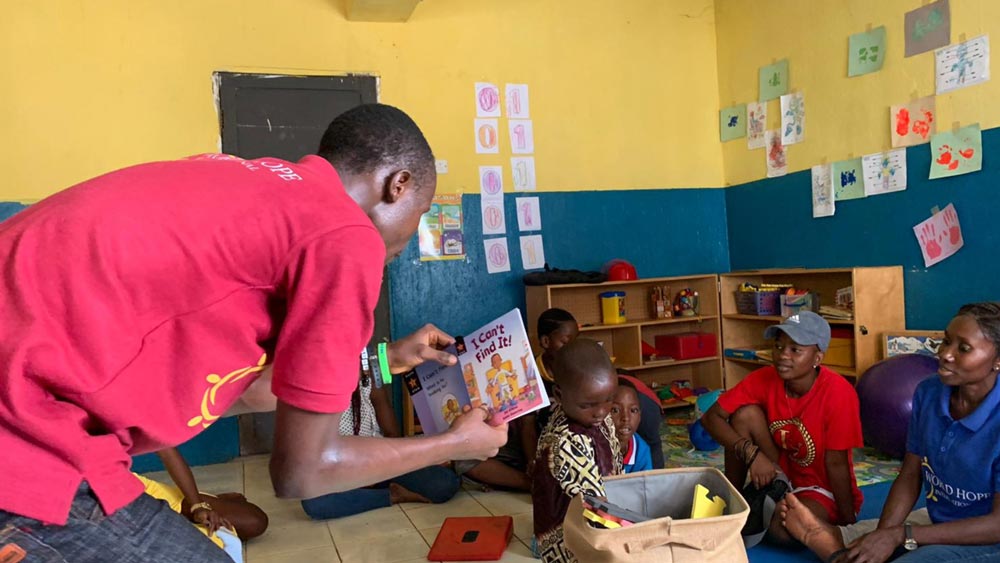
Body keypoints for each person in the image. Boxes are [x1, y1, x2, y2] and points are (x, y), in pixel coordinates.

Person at [0, 103, 508, 562]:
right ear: (397, 185)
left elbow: (262, 389)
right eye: (420, 214)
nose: (411, 234)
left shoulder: (239, 178)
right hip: (24, 436)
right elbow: (302, 473)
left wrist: (384, 360)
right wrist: (455, 444)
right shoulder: (347, 236)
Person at [780, 303, 1000, 563]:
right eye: (947, 341)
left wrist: (900, 536)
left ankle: (830, 549)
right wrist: (882, 538)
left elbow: (996, 525)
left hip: (991, 537)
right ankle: (837, 545)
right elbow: (910, 473)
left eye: (963, 348)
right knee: (859, 545)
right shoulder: (929, 391)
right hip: (942, 520)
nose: (946, 354)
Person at [701, 311, 863, 545]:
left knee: (784, 530)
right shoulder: (765, 377)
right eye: (778, 346)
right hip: (782, 471)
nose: (782, 355)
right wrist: (752, 454)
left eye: (795, 350)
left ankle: (774, 512)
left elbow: (836, 464)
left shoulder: (839, 393)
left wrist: (848, 523)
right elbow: (711, 417)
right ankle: (732, 503)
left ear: (818, 357)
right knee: (745, 415)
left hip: (821, 488)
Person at [300, 371, 460, 519]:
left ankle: (366, 493)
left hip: (381, 465)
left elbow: (392, 434)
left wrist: (384, 467)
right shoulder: (313, 388)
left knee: (445, 483)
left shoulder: (368, 379)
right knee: (314, 503)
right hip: (341, 471)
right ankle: (391, 495)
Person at [532, 338, 622, 563]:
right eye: (588, 405)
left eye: (609, 400)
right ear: (560, 395)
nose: (601, 412)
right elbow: (596, 507)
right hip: (571, 539)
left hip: (588, 516)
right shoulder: (569, 441)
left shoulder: (594, 417)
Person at [612, 380, 653, 474]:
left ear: (640, 416)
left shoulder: (641, 451)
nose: (625, 418)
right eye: (615, 410)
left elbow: (645, 486)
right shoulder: (593, 449)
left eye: (633, 410)